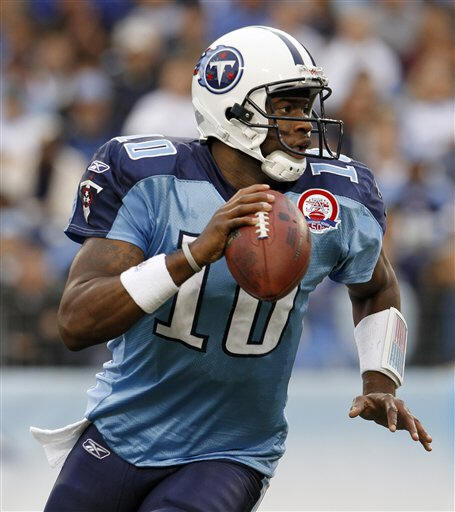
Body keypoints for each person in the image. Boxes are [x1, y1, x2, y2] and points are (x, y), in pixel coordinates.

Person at [32, 26, 432, 512]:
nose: (305, 125)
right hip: (123, 431)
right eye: (286, 107)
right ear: (232, 109)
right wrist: (191, 256)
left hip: (231, 450)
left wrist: (380, 380)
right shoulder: (149, 179)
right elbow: (76, 322)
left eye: (307, 107)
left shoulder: (336, 197)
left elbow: (376, 286)